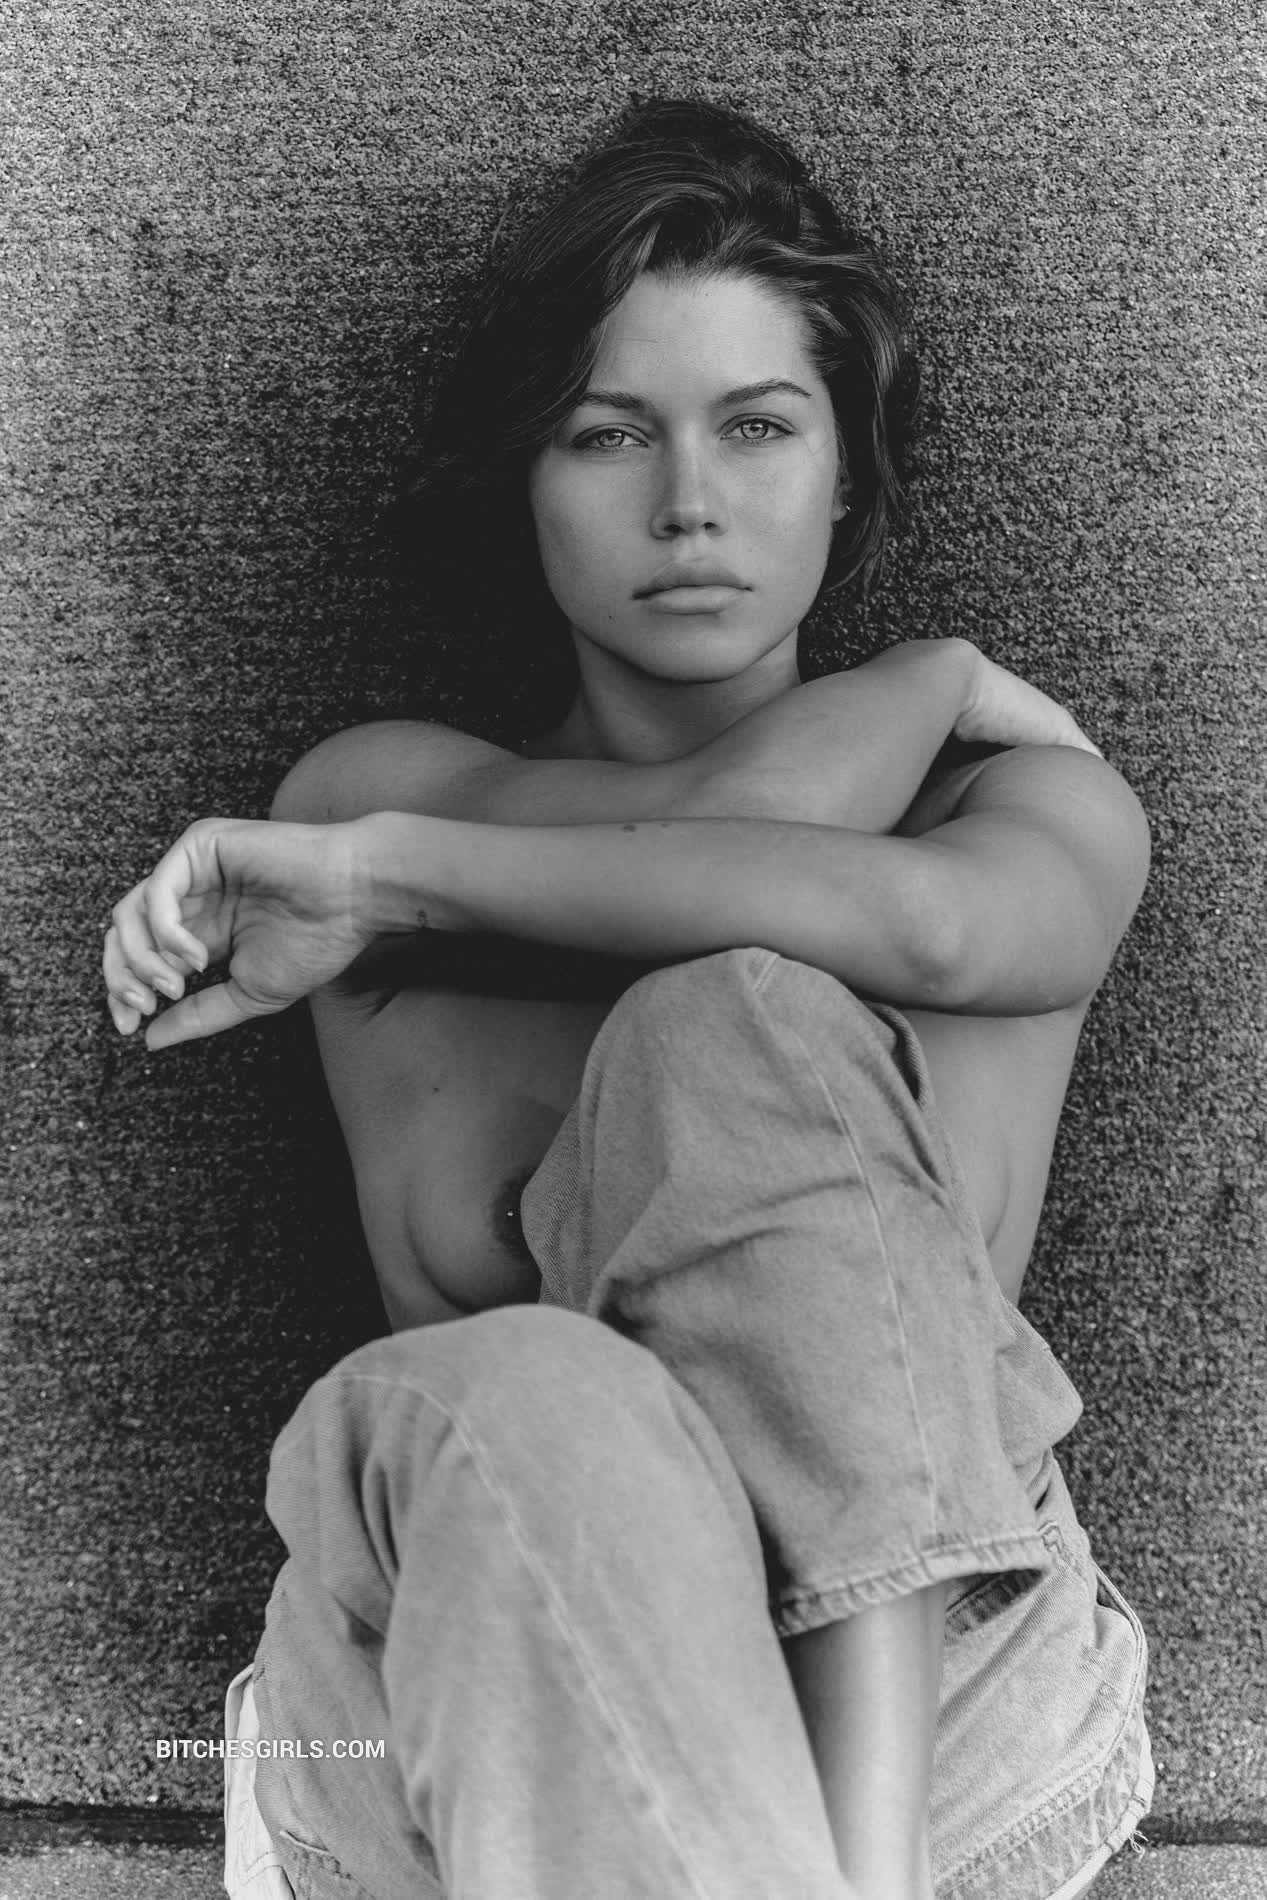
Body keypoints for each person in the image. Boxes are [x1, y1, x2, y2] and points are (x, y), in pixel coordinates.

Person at [103, 99, 1155, 1900]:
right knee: (517, 1390)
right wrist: (921, 675)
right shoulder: (377, 793)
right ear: (525, 478)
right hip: (445, 1717)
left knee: (734, 1031)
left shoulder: (1022, 810)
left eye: (759, 425)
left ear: (850, 472)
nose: (688, 501)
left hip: (943, 1732)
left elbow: (875, 916)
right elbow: (732, 830)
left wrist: (389, 882)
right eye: (608, 434)